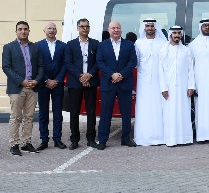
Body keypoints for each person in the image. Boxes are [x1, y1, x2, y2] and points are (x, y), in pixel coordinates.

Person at [2, 21, 44, 156]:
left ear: (29, 31)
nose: (23, 31)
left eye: (25, 29)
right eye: (20, 29)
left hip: (32, 87)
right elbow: (6, 67)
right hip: (17, 88)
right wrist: (22, 81)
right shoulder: (9, 47)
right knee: (15, 117)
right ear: (16, 32)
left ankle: (26, 142)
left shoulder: (35, 47)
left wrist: (36, 81)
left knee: (29, 117)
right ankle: (14, 144)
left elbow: (41, 66)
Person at [96, 21, 137, 150]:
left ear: (121, 30)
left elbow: (132, 62)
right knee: (105, 113)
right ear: (109, 30)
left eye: (118, 28)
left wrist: (121, 75)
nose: (116, 30)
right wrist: (111, 75)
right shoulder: (102, 45)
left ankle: (125, 138)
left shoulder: (129, 45)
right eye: (113, 28)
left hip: (124, 83)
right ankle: (102, 140)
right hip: (108, 83)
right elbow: (100, 62)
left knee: (126, 113)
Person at [64, 18, 99, 150]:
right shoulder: (70, 44)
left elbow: (98, 62)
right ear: (78, 28)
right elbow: (68, 63)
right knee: (74, 112)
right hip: (75, 82)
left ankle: (91, 139)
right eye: (82, 26)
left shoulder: (96, 44)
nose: (85, 29)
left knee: (91, 111)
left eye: (87, 26)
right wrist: (81, 77)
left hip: (91, 81)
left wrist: (89, 75)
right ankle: (74, 139)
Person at [159, 25, 195, 147]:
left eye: (179, 33)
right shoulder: (164, 50)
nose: (177, 36)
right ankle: (171, 139)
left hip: (183, 88)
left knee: (184, 112)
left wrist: (191, 86)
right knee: (170, 113)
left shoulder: (186, 50)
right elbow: (161, 70)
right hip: (169, 88)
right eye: (174, 33)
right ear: (170, 35)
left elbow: (191, 70)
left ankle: (184, 139)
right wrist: (163, 88)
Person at [134, 18, 166, 146]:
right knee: (144, 108)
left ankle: (160, 136)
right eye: (147, 26)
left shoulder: (163, 43)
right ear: (144, 28)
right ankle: (144, 137)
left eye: (152, 26)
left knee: (159, 107)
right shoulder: (138, 42)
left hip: (159, 80)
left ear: (156, 27)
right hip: (144, 81)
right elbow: (136, 62)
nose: (150, 28)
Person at [37, 22, 67, 150]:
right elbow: (37, 66)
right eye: (49, 28)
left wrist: (57, 80)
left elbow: (65, 64)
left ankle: (57, 139)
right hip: (43, 84)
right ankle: (44, 140)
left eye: (54, 28)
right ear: (44, 30)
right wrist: (46, 80)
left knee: (57, 113)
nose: (52, 30)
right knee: (43, 113)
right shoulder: (38, 46)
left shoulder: (63, 46)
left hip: (58, 84)